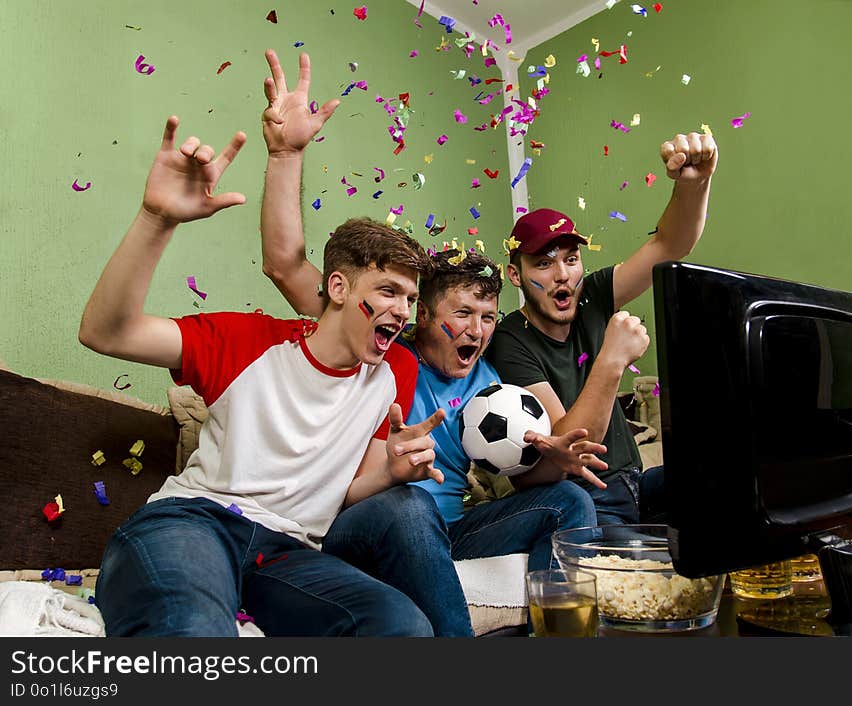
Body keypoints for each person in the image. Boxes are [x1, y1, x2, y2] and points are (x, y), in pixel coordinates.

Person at [258, 49, 609, 635]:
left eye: (489, 316)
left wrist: (554, 460)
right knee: (411, 503)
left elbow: (522, 480)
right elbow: (285, 265)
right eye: (463, 313)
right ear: (420, 317)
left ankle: (560, 639)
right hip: (367, 521)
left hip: (448, 531)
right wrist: (286, 155)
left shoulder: (493, 384)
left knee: (572, 501)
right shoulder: (382, 351)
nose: (477, 329)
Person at [78, 111, 456, 637]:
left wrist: (392, 473)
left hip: (287, 553)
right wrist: (156, 218)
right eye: (389, 292)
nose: (403, 311)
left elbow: (347, 492)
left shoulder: (396, 368)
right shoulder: (249, 341)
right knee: (193, 629)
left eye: (411, 299)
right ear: (340, 288)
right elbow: (106, 332)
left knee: (401, 626)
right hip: (194, 522)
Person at [485, 133, 719, 526]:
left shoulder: (591, 295)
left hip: (636, 484)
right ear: (516, 275)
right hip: (588, 497)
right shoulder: (511, 341)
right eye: (543, 264)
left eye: (571, 259)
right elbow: (572, 445)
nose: (562, 275)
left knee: (725, 481)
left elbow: (670, 244)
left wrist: (694, 185)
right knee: (642, 574)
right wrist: (612, 359)